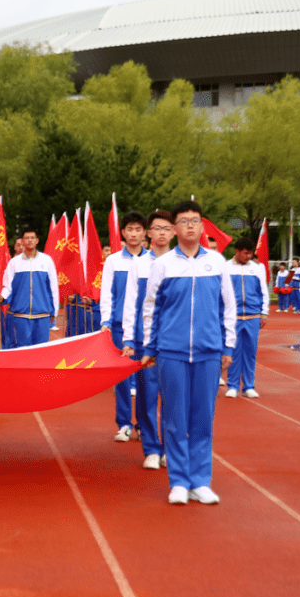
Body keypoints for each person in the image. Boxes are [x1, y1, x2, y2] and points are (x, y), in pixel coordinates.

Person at [140, 201, 235, 506]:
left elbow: (228, 308)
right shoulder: (163, 264)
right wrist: (150, 346)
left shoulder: (218, 263)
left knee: (203, 419)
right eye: (184, 221)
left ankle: (200, 481)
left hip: (208, 351)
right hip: (172, 351)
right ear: (174, 229)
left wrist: (227, 346)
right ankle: (179, 481)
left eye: (195, 221)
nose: (190, 226)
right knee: (174, 418)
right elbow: (150, 308)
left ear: (202, 226)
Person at [122, 210, 175, 469]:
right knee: (146, 395)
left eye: (167, 228)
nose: (162, 232)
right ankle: (152, 448)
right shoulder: (139, 265)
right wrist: (129, 339)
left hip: (174, 342)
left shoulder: (181, 263)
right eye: (157, 228)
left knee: (173, 397)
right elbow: (131, 303)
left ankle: (169, 448)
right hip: (145, 342)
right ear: (148, 233)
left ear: (173, 231)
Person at [99, 211, 148, 446]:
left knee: (145, 378)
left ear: (145, 233)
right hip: (120, 326)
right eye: (130, 229)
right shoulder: (113, 261)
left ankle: (143, 424)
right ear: (123, 233)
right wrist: (106, 322)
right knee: (122, 376)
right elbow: (106, 293)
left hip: (147, 328)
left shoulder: (153, 261)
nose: (134, 234)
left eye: (138, 229)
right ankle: (125, 424)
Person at [0, 227, 59, 348]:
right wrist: (2, 297)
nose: (29, 240)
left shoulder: (47, 261)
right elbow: (7, 286)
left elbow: (53, 288)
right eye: (27, 238)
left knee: (41, 350)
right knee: (22, 349)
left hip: (43, 315)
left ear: (37, 241)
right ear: (23, 241)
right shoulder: (14, 262)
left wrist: (54, 311)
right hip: (21, 316)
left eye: (32, 238)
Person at [224, 238, 268, 398]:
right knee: (233, 351)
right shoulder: (226, 268)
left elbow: (263, 291)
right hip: (233, 317)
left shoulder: (257, 269)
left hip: (253, 315)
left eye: (250, 253)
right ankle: (233, 386)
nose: (248, 256)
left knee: (250, 351)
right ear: (237, 251)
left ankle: (248, 385)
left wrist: (264, 312)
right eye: (245, 253)